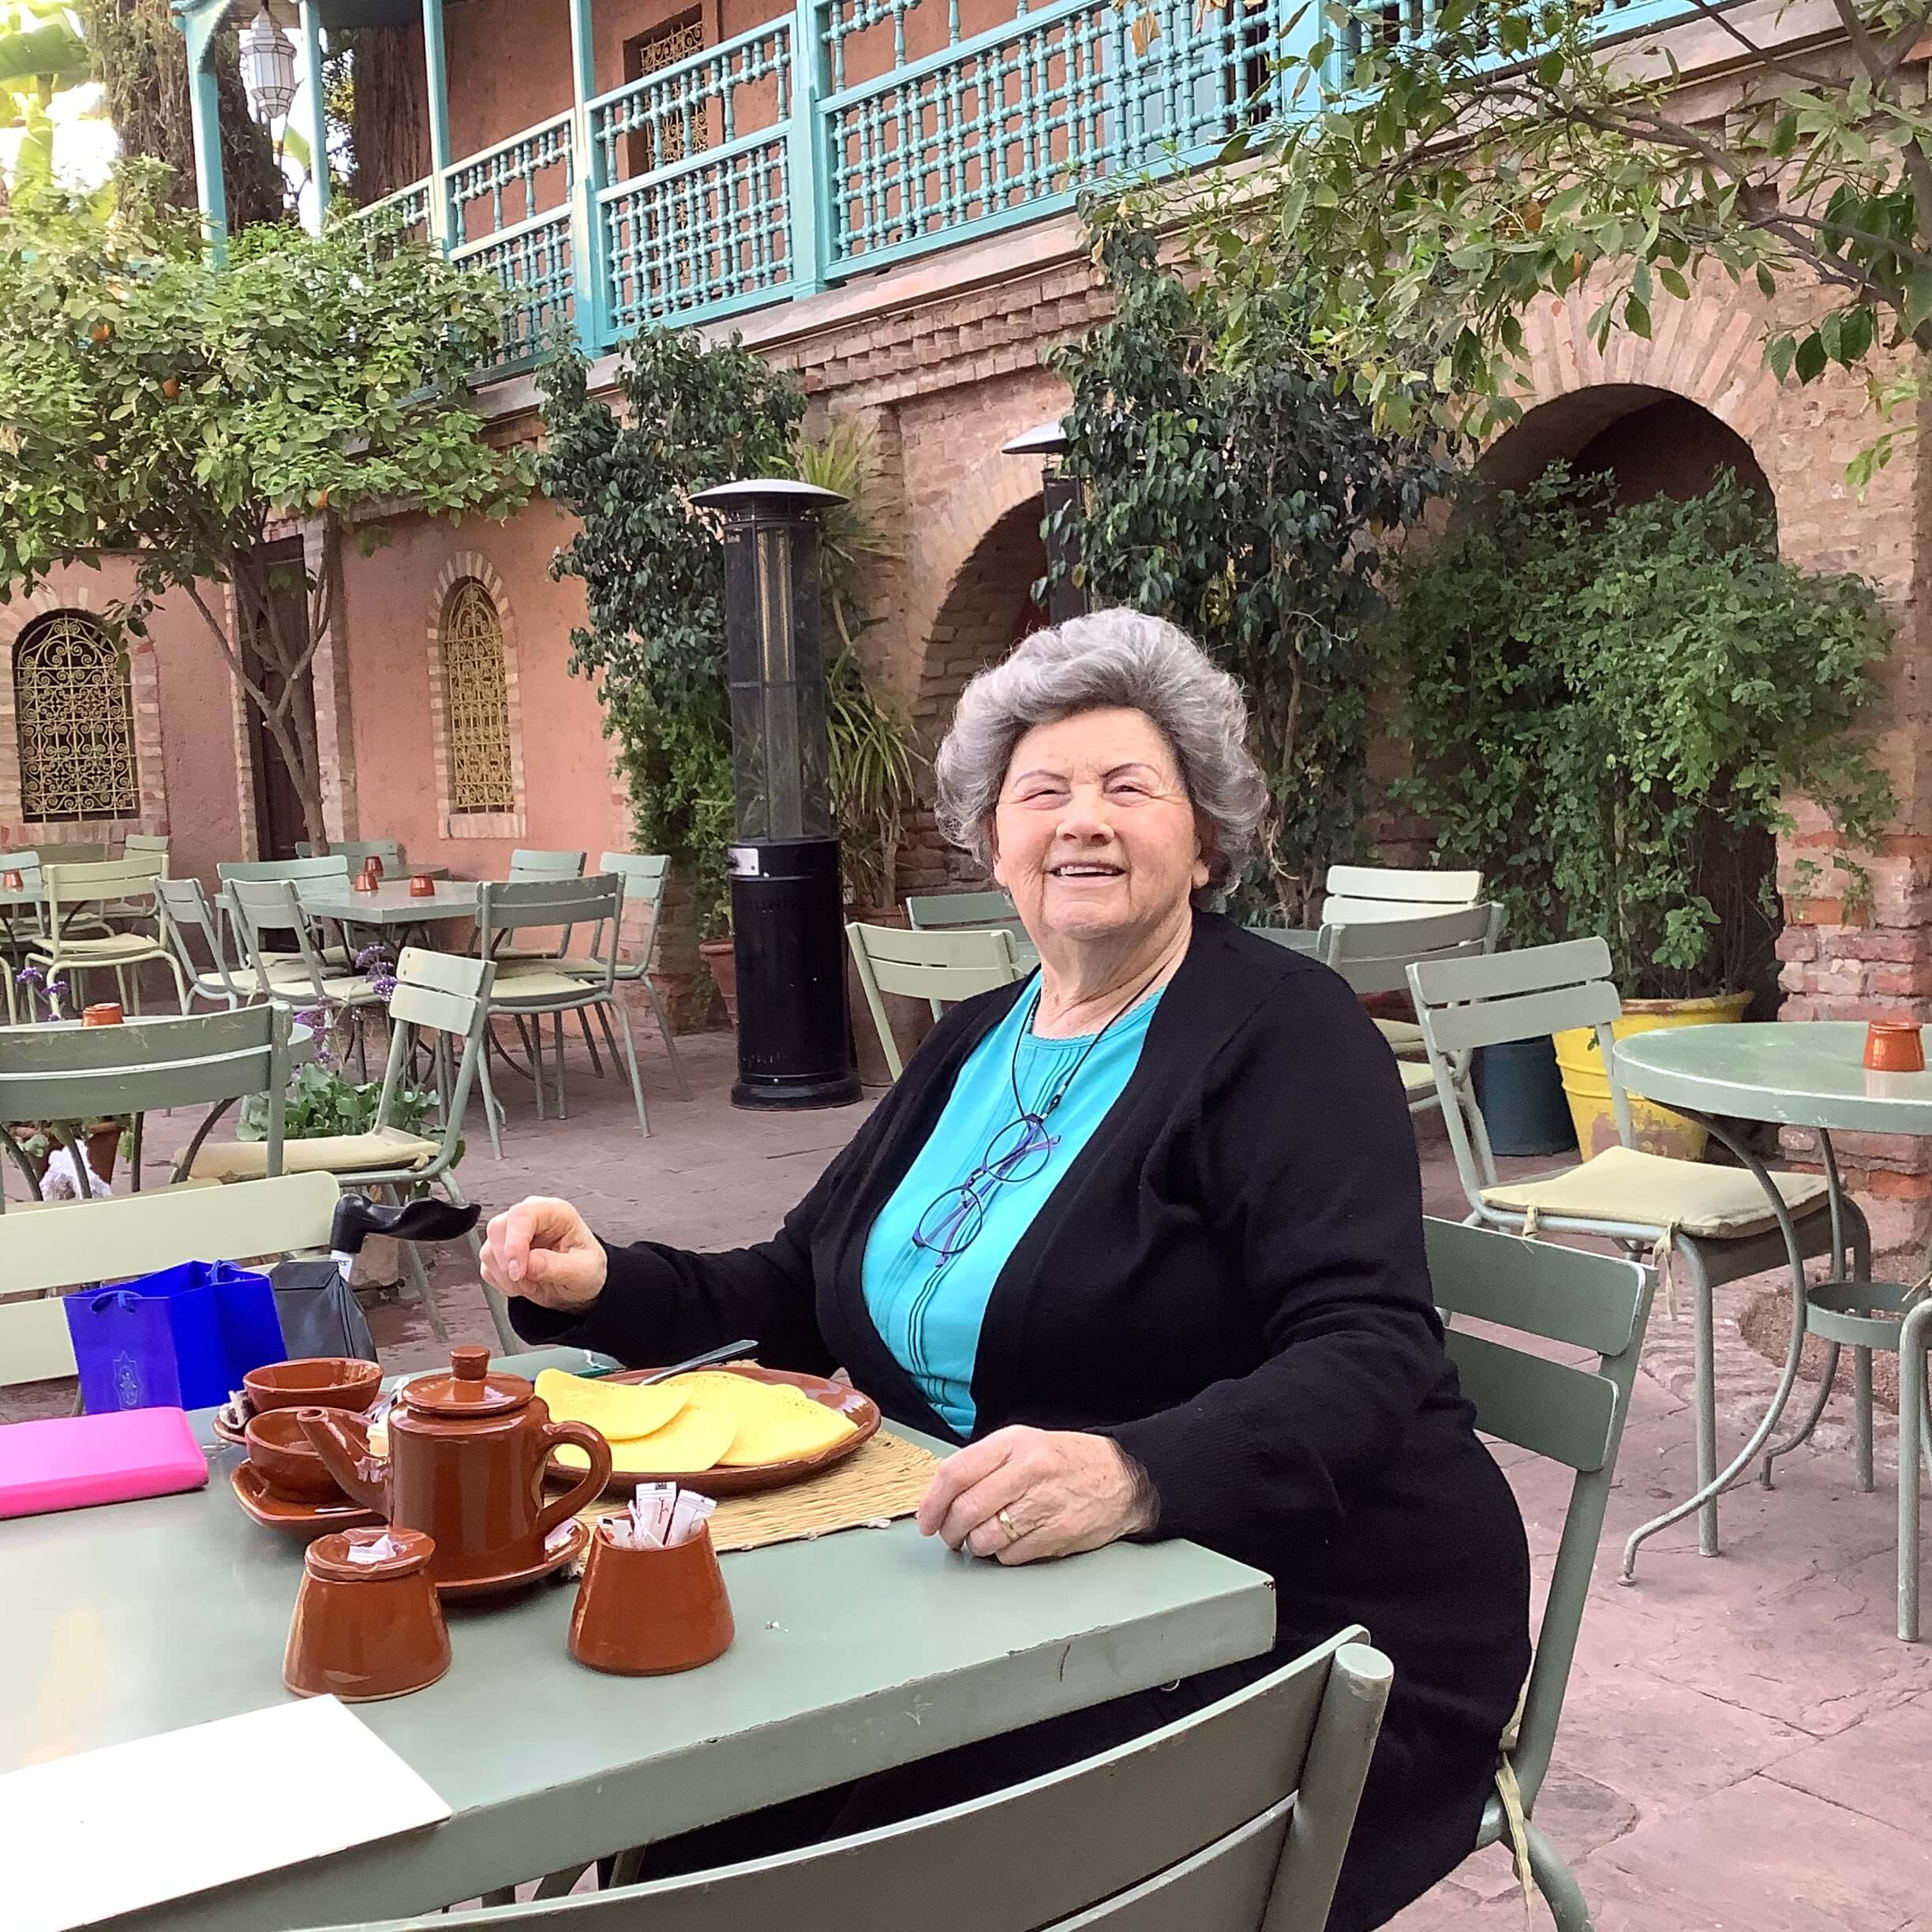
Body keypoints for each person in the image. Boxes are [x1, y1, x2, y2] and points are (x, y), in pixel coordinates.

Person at [485, 609, 1530, 1930]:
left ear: (1205, 838)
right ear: (996, 842)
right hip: (999, 1596)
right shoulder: (972, 1041)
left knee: (851, 1859)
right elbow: (801, 1282)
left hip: (1296, 1609)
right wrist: (603, 1283)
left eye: (1129, 787)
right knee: (703, 1799)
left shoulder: (1288, 1032)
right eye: (1043, 791)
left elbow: (1369, 1346)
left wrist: (1139, 1470)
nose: (1082, 820)